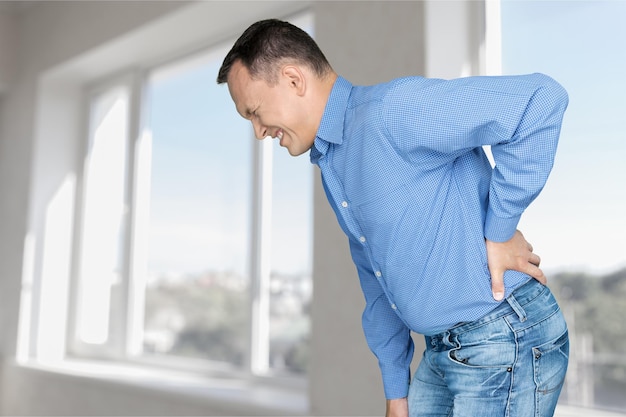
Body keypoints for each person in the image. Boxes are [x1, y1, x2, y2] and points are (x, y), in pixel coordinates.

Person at [217, 18, 569, 417]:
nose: (259, 132)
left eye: (255, 112)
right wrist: (395, 392)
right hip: (440, 350)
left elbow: (541, 100)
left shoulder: (393, 112)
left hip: (500, 335)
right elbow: (378, 281)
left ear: (294, 80)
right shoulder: (334, 161)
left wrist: (500, 229)